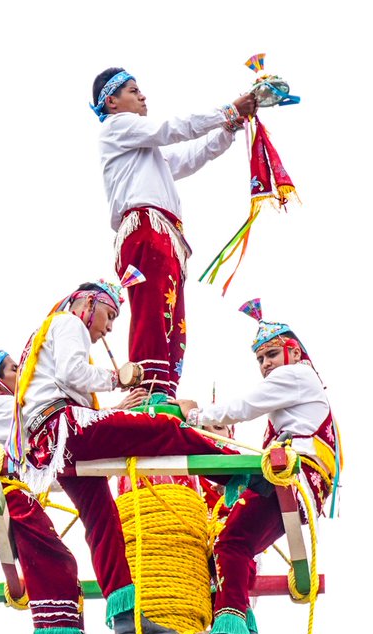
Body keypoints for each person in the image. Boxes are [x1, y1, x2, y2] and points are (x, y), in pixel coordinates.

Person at [15, 279, 239, 634]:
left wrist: (116, 408)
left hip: (52, 445)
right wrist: (118, 378)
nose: (108, 328)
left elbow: (63, 383)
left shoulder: (46, 338)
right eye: (109, 315)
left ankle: (126, 619)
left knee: (103, 523)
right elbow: (73, 373)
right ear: (88, 303)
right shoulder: (68, 322)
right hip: (65, 428)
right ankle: (236, 470)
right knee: (162, 429)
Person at [174, 298, 341, 634]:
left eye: (272, 354)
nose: (266, 365)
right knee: (237, 543)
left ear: (293, 353)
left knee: (231, 540)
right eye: (261, 359)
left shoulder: (295, 376)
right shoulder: (301, 386)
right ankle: (241, 624)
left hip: (291, 475)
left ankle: (232, 625)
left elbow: (244, 407)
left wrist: (195, 416)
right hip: (298, 481)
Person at [0, 338, 115, 634]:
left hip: (2, 498)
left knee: (59, 563)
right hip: (2, 495)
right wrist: (111, 413)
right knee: (57, 559)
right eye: (15, 369)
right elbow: (51, 424)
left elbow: (39, 458)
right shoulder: (0, 406)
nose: (23, 373)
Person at [90, 67, 257, 398]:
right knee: (153, 312)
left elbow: (192, 156)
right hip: (145, 228)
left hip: (163, 233)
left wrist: (230, 125)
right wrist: (228, 110)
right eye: (133, 91)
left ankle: (163, 390)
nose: (143, 96)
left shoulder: (144, 151)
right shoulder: (117, 127)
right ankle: (147, 389)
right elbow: (172, 129)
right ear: (111, 102)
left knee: (172, 320)